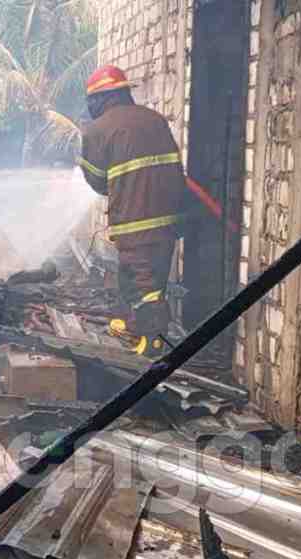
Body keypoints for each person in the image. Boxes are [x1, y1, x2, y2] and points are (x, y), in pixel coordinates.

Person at [77, 65, 186, 359]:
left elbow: (97, 181)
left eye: (91, 101)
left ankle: (154, 344)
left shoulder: (97, 130)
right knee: (153, 277)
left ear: (100, 100)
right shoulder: (156, 120)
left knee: (142, 284)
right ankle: (134, 326)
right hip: (170, 217)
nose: (90, 108)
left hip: (134, 221)